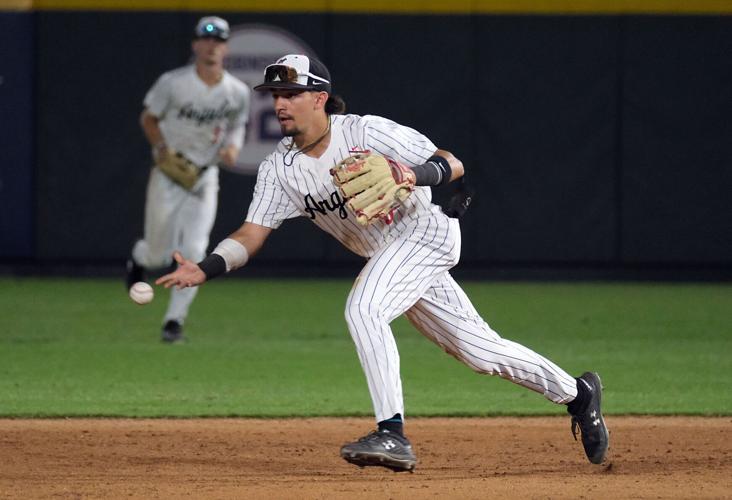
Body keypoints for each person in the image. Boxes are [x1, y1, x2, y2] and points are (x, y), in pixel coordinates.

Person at [156, 54, 609, 471]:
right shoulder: (279, 169)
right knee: (480, 352)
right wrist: (206, 266)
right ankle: (578, 393)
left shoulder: (364, 131)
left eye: (291, 94)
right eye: (275, 96)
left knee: (363, 309)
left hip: (424, 234)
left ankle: (392, 434)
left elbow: (451, 164)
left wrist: (413, 174)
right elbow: (251, 235)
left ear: (319, 98)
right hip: (388, 257)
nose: (280, 104)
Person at [126, 16, 250, 343]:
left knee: (195, 249)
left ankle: (173, 322)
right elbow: (149, 118)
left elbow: (238, 124)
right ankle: (139, 258)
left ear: (225, 47)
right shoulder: (173, 82)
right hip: (169, 174)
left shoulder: (236, 92)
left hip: (203, 177)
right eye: (206, 39)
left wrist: (234, 147)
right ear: (196, 44)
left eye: (219, 40)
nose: (212, 45)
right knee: (157, 254)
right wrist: (162, 147)